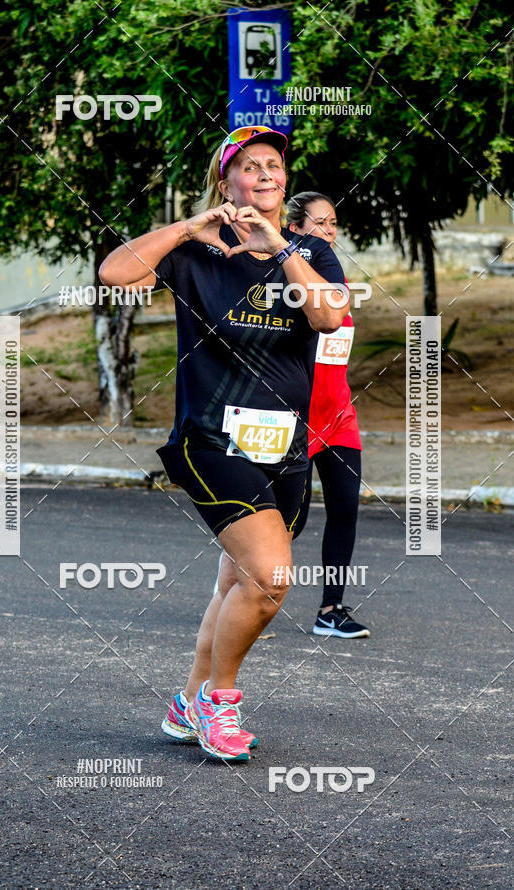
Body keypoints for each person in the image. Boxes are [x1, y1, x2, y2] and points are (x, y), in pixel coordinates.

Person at [99, 126, 348, 762]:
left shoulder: (312, 253)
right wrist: (188, 228)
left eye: (274, 165)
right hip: (211, 440)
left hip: (286, 445)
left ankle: (186, 702)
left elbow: (326, 316)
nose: (265, 174)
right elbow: (114, 272)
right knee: (269, 579)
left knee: (235, 583)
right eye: (249, 167)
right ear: (226, 182)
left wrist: (280, 247)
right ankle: (220, 701)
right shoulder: (195, 253)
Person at [287, 191, 369, 638]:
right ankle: (247, 596)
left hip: (338, 417)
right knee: (285, 523)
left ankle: (330, 610)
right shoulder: (286, 283)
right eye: (320, 223)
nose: (330, 231)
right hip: (294, 421)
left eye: (333, 222)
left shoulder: (336, 281)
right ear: (295, 229)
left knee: (345, 509)